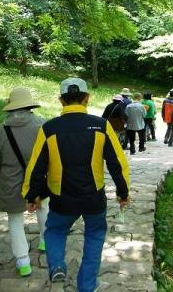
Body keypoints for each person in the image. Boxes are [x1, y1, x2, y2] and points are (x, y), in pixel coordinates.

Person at [22, 78, 130, 292]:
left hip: (62, 198)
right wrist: (122, 192)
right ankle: (87, 286)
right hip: (94, 198)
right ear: (87, 98)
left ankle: (57, 265)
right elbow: (117, 163)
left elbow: (36, 166)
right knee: (95, 237)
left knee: (54, 231)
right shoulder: (101, 125)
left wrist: (31, 194)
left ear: (61, 100)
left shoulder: (49, 128)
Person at [0, 87, 48, 277]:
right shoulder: (42, 126)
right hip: (38, 179)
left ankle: (23, 263)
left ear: (11, 107)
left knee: (15, 220)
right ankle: (45, 240)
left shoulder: (1, 130)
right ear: (29, 105)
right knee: (43, 208)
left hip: (10, 181)